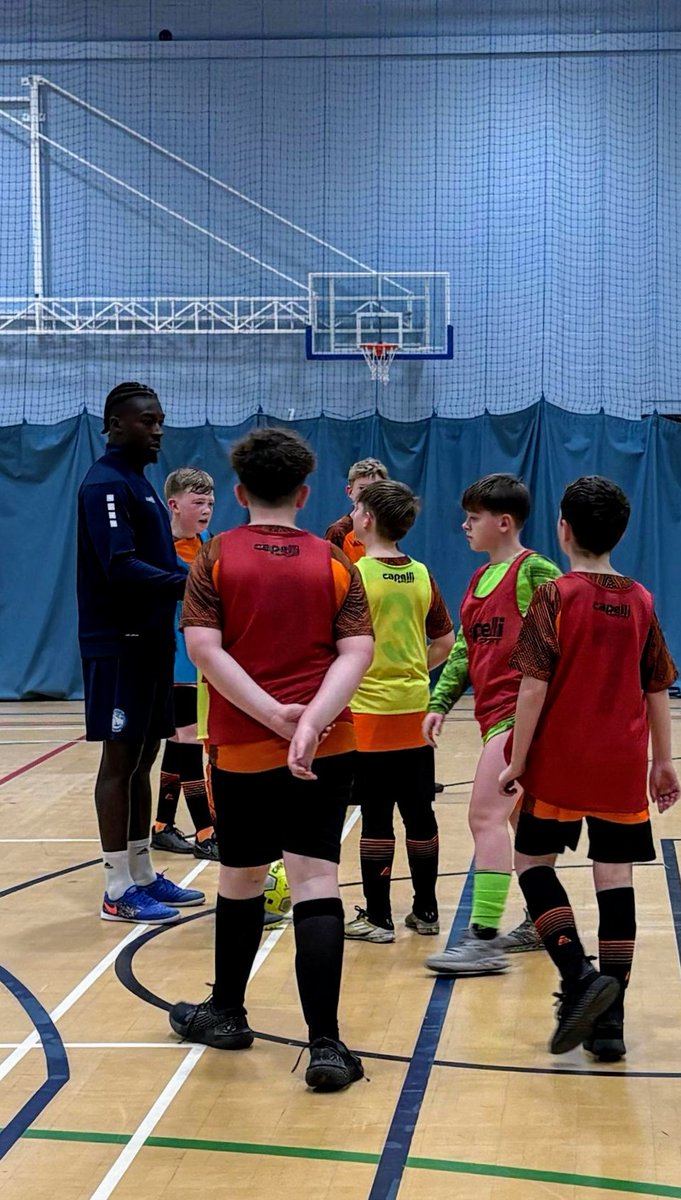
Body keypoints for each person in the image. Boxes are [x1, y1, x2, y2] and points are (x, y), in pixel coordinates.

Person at [168, 427, 375, 1092]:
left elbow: (204, 649)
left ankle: (228, 1012)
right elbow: (357, 653)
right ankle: (326, 1045)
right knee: (316, 883)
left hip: (244, 748)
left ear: (237, 491)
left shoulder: (216, 557)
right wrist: (310, 721)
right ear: (305, 493)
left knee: (240, 878)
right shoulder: (335, 560)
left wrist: (271, 716)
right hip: (327, 748)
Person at [499, 476, 680, 1059]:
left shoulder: (557, 594)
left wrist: (518, 759)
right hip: (622, 761)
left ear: (563, 529)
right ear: (620, 533)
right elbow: (657, 687)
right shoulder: (642, 599)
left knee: (531, 863)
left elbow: (532, 686)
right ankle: (611, 1024)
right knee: (615, 879)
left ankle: (578, 976)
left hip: (560, 758)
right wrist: (664, 762)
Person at [76, 381, 206, 923]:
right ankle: (115, 887)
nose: (157, 430)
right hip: (118, 644)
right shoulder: (104, 485)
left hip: (151, 641)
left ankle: (142, 872)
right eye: (146, 421)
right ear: (114, 423)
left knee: (147, 757)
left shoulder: (142, 485)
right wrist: (194, 583)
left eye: (159, 421)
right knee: (121, 759)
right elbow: (120, 566)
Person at [421, 474, 561, 974]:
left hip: (521, 719)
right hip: (492, 718)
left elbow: (568, 637)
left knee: (483, 817)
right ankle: (540, 921)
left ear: (504, 523)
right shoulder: (480, 580)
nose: (464, 525)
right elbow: (464, 650)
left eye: (473, 517)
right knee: (522, 828)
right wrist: (440, 701)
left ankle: (482, 938)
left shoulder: (534, 571)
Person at [343, 480, 455, 943]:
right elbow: (445, 642)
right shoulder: (422, 573)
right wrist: (413, 671)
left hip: (368, 714)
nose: (351, 516)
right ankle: (426, 912)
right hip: (414, 711)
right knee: (419, 813)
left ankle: (377, 917)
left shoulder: (354, 575)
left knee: (375, 816)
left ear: (367, 519)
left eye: (355, 509)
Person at [152, 467, 219, 861]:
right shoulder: (158, 547)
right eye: (198, 502)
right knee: (189, 741)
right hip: (174, 658)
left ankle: (162, 826)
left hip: (203, 658)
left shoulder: (209, 543)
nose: (207, 509)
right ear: (174, 505)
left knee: (180, 744)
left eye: (210, 502)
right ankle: (207, 832)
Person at [324, 457, 388, 563]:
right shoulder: (338, 532)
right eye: (362, 488)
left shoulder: (386, 529)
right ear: (350, 492)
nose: (369, 494)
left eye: (375, 488)